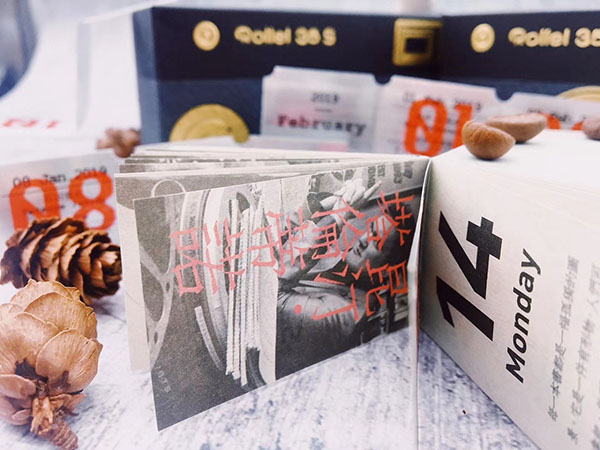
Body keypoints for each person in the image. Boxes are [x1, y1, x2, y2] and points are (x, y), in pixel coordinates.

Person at [275, 177, 415, 378]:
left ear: (386, 270)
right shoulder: (337, 261)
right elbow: (274, 242)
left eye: (377, 243)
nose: (364, 240)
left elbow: (273, 291)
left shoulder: (347, 314)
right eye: (371, 231)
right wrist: (326, 205)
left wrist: (338, 218)